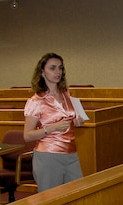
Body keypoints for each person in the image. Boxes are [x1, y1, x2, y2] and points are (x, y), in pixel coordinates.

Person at [23, 53, 85, 192]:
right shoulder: (36, 101)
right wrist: (52, 128)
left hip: (71, 154)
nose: (58, 72)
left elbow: (71, 119)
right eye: (52, 68)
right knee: (50, 199)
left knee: (78, 196)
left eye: (60, 68)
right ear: (42, 72)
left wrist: (77, 121)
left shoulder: (66, 94)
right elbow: (27, 136)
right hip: (48, 156)